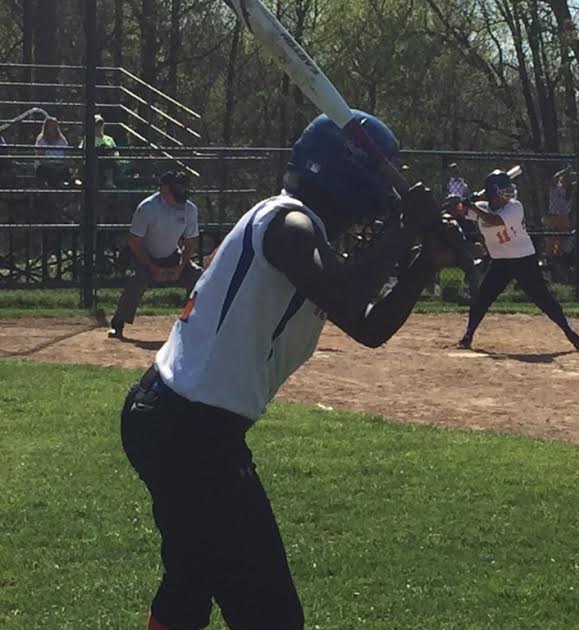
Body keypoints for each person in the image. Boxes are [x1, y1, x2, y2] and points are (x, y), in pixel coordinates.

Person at [120, 110, 459, 629]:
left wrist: (423, 262)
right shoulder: (288, 222)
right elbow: (347, 294)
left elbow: (367, 326)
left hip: (173, 419)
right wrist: (405, 229)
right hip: (193, 430)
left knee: (190, 581)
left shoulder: (310, 241)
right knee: (271, 615)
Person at [447, 169, 579, 351]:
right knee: (482, 298)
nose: (508, 193)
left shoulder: (514, 207)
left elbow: (494, 220)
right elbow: (457, 211)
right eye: (503, 190)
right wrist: (457, 202)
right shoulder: (482, 207)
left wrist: (471, 207)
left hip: (523, 260)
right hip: (500, 262)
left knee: (543, 298)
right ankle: (468, 335)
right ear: (493, 192)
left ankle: (568, 331)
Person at [107, 171, 203, 339]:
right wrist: (152, 267)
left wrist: (180, 266)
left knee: (199, 277)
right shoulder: (148, 207)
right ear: (164, 189)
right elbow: (134, 241)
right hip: (143, 256)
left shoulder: (189, 209)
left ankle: (196, 322)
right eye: (177, 188)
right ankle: (118, 323)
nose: (181, 192)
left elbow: (190, 241)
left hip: (172, 256)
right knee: (137, 279)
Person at [80, 113, 119, 187]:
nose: (99, 127)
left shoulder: (109, 139)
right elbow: (82, 152)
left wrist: (114, 155)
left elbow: (116, 152)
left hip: (108, 160)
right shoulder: (87, 139)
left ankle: (109, 181)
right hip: (93, 162)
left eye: (100, 125)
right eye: (96, 125)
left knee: (107, 155)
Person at [543, 167, 575, 256]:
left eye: (568, 178)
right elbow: (554, 178)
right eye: (565, 178)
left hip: (564, 217)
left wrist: (570, 175)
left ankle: (562, 258)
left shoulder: (570, 190)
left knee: (563, 241)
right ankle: (550, 258)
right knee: (551, 240)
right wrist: (564, 171)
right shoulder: (555, 188)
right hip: (553, 216)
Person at [35, 116, 70, 187]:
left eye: (54, 126)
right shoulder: (41, 140)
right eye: (50, 126)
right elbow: (41, 158)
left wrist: (62, 166)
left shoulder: (62, 140)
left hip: (60, 165)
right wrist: (51, 166)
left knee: (65, 172)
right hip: (46, 166)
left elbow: (66, 156)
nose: (52, 128)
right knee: (48, 172)